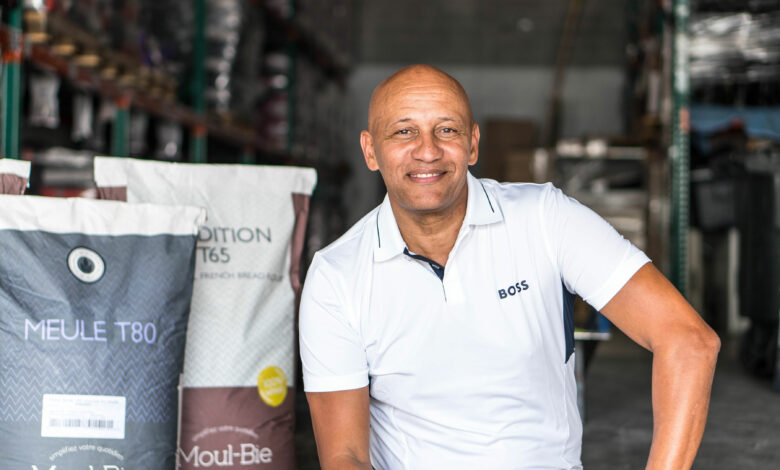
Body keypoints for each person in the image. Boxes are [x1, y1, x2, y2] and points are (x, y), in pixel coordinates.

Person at [299, 64, 720, 470]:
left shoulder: (545, 219)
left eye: (447, 130)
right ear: (371, 151)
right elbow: (345, 456)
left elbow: (688, 341)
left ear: (473, 144)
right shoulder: (337, 274)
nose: (427, 150)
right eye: (403, 131)